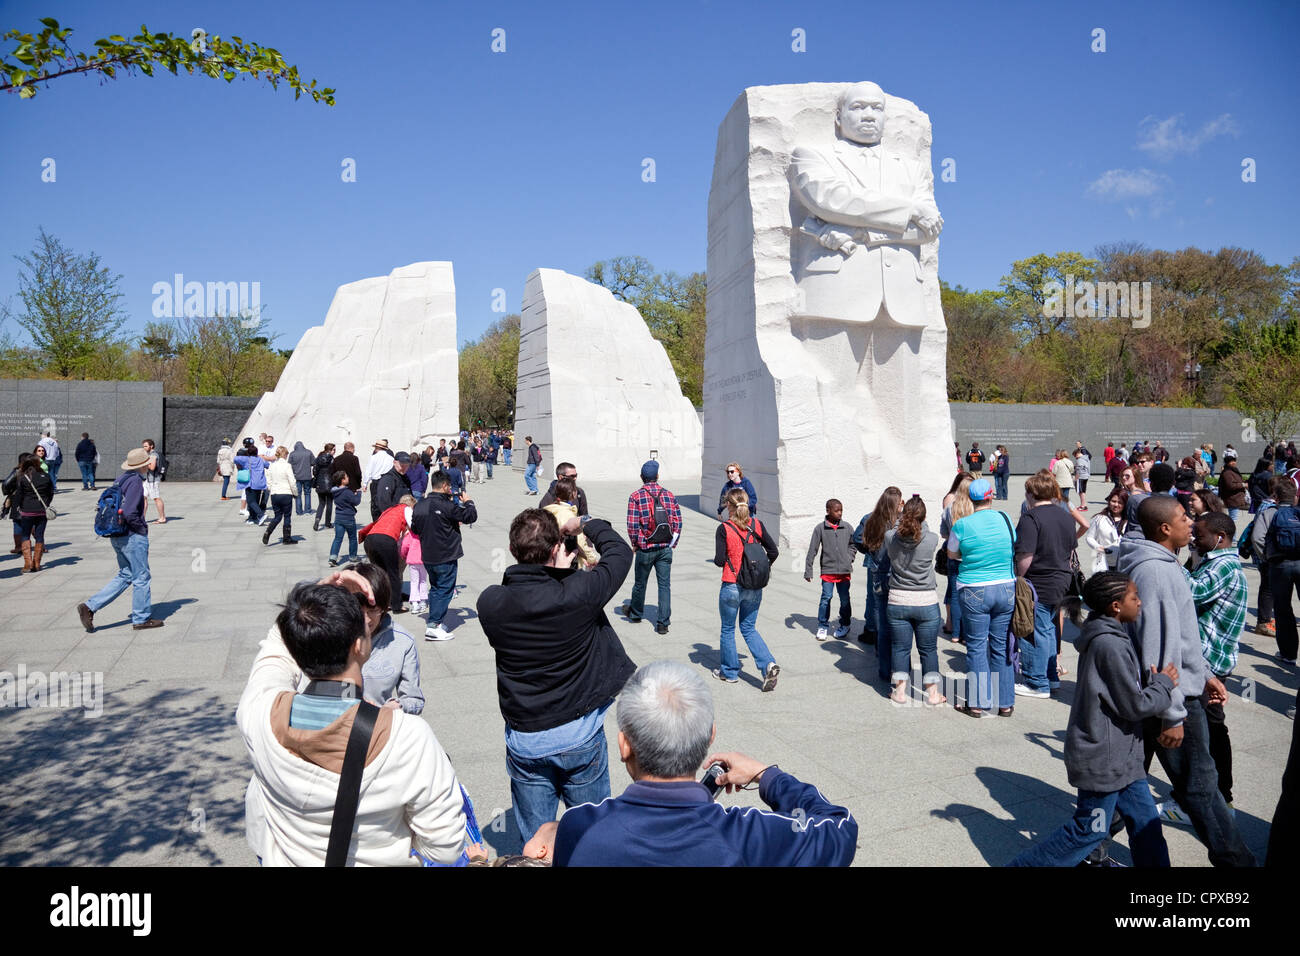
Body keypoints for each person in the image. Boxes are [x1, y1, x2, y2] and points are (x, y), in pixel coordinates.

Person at [237, 570, 467, 866]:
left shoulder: (258, 711)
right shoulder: (408, 737)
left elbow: (273, 655)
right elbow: (445, 849)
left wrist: (312, 602)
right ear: (359, 646)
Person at [529, 660, 857, 866]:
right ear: (710, 737)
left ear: (624, 745)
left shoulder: (580, 826)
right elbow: (840, 827)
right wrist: (766, 774)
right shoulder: (751, 836)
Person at [475, 506, 635, 844]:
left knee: (535, 840)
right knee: (591, 836)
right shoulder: (579, 592)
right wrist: (585, 524)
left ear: (513, 551)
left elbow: (521, 593)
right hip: (579, 734)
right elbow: (619, 552)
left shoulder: (491, 603)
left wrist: (552, 571)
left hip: (526, 737)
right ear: (555, 549)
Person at [1116, 494, 1255, 866]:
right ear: (1164, 529)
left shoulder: (1164, 564)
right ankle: (1237, 862)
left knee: (1125, 785)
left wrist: (1205, 674)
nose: (1190, 523)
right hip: (1169, 700)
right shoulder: (1157, 571)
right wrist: (1173, 714)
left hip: (1164, 695)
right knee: (1200, 790)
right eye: (1183, 518)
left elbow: (1179, 636)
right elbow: (1158, 649)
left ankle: (1085, 847)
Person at [1007, 572, 1178, 867]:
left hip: (1123, 759)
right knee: (1088, 831)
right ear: (1115, 606)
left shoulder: (1110, 636)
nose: (1140, 603)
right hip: (1104, 759)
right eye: (1134, 598)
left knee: (1146, 823)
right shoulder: (1109, 645)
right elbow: (1134, 705)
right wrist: (1163, 684)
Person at [1189, 511, 1247, 809]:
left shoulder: (1223, 565)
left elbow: (1192, 592)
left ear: (1219, 538)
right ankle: (1219, 797)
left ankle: (1220, 798)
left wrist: (1169, 560)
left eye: (1198, 535)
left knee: (1207, 731)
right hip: (1210, 659)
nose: (1193, 539)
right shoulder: (1217, 562)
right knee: (1209, 728)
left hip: (1210, 660)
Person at [948, 478, 1016, 718]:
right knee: (1000, 645)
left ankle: (978, 703)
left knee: (977, 646)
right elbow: (1013, 544)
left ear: (970, 499)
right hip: (1006, 587)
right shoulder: (1005, 519)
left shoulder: (962, 525)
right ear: (991, 496)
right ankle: (1005, 702)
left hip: (974, 588)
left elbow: (952, 552)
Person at [75, 448, 163, 631]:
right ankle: (141, 618)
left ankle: (90, 607)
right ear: (145, 464)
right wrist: (142, 529)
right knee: (141, 577)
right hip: (131, 535)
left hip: (117, 534)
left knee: (126, 574)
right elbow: (130, 512)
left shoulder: (121, 479)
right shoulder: (135, 482)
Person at [1015, 471, 1080, 699]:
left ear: (1031, 493)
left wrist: (1018, 578)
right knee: (1050, 629)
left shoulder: (1030, 518)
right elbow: (1072, 549)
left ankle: (1036, 681)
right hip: (1062, 579)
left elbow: (1026, 556)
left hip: (1040, 580)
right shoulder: (1064, 515)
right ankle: (1051, 676)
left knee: (1034, 631)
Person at [712, 487, 781, 689]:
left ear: (728, 506)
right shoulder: (757, 524)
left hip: (732, 584)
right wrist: (759, 568)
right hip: (754, 585)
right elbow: (773, 551)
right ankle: (767, 663)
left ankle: (729, 672)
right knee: (749, 628)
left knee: (727, 628)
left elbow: (718, 560)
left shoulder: (724, 528)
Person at [884, 496, 944, 705]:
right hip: (926, 600)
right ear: (924, 516)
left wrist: (901, 520)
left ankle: (899, 692)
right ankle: (933, 694)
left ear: (904, 515)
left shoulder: (890, 536)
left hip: (898, 598)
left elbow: (898, 531)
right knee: (928, 650)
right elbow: (923, 530)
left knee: (900, 648)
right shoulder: (932, 538)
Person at [350, 562, 425, 714]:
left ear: (384, 608)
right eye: (358, 610)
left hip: (377, 728)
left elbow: (414, 699)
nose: (366, 620)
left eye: (373, 611)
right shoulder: (329, 633)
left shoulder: (403, 641)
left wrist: (398, 706)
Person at [411, 471, 477, 641]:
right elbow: (470, 516)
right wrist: (468, 502)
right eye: (449, 487)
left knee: (436, 588)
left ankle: (436, 622)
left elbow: (415, 528)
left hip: (428, 554)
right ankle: (433, 624)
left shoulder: (420, 505)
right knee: (445, 589)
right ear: (446, 486)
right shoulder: (447, 505)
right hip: (445, 554)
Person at [623, 460, 682, 635]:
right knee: (664, 585)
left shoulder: (635, 496)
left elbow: (633, 525)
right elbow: (678, 521)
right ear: (657, 476)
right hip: (665, 548)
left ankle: (635, 613)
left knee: (640, 583)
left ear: (642, 477)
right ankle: (663, 623)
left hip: (646, 547)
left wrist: (636, 543)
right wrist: (672, 543)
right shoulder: (669, 495)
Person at [804, 498, 854, 641]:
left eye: (841, 510)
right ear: (828, 511)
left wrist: (849, 557)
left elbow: (854, 544)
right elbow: (812, 549)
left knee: (845, 599)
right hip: (828, 570)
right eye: (836, 510)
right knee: (826, 598)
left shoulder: (847, 527)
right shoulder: (820, 528)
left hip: (844, 570)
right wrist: (808, 570)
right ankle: (823, 625)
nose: (840, 513)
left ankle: (845, 624)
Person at [1265, 479, 1300, 665]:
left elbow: (1258, 538)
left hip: (1279, 565)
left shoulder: (1270, 513)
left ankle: (1288, 654)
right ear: (1295, 496)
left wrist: (1266, 558)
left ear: (1275, 497)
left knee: (1283, 609)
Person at [361, 495, 413, 615]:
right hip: (385, 540)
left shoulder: (388, 510)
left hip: (370, 539)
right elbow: (413, 526)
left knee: (379, 574)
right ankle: (396, 605)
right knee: (393, 573)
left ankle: (381, 603)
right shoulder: (406, 508)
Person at [938, 474, 973, 641]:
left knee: (955, 594)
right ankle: (966, 633)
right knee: (970, 595)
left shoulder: (949, 508)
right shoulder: (975, 509)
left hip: (954, 555)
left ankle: (956, 633)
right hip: (971, 557)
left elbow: (944, 533)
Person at [1249, 476, 1283, 639]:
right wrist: (1266, 556)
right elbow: (1258, 536)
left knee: (1270, 588)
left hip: (1266, 555)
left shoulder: (1267, 504)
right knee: (1267, 588)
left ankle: (1267, 619)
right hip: (1266, 556)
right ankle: (1263, 622)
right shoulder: (1268, 507)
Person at [11, 451, 55, 572]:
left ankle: (28, 563)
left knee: (25, 535)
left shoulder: (23, 477)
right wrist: (46, 504)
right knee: (40, 536)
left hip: (27, 511)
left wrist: (18, 507)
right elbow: (51, 493)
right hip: (42, 511)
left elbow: (19, 495)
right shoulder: (45, 476)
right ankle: (37, 564)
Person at [543, 477, 598, 569]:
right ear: (574, 493)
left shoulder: (550, 510)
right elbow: (579, 540)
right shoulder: (568, 515)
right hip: (567, 558)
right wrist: (591, 558)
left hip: (551, 556)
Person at [261, 446, 298, 546]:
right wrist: (295, 493)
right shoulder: (287, 465)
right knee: (287, 516)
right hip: (285, 493)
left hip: (275, 493)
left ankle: (268, 531)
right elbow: (292, 481)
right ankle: (287, 538)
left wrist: (271, 489)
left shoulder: (272, 466)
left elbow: (268, 480)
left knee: (277, 516)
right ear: (285, 454)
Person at [1085, 488, 1128, 573]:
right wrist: (1097, 547)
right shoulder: (1099, 518)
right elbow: (1089, 537)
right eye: (1113, 501)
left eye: (1120, 503)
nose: (1116, 505)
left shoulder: (1129, 520)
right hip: (1103, 562)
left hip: (1123, 563)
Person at [328, 472, 362, 567]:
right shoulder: (346, 492)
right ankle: (353, 556)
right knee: (352, 538)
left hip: (338, 518)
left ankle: (333, 557)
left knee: (338, 538)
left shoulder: (335, 492)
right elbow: (356, 501)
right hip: (348, 518)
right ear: (342, 480)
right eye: (346, 477)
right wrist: (358, 493)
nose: (348, 478)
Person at [141, 438, 166, 524]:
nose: (144, 448)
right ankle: (142, 518)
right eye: (143, 446)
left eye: (146, 446)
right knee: (143, 497)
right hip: (148, 480)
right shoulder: (150, 455)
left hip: (153, 481)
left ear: (151, 446)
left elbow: (152, 467)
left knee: (156, 498)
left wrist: (144, 463)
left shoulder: (153, 455)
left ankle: (162, 518)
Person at [1218, 452, 1247, 524]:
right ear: (1227, 463)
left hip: (1234, 498)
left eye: (1234, 461)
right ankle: (1231, 534)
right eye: (1231, 462)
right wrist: (1243, 485)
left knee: (1233, 519)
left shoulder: (1233, 470)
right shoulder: (1227, 472)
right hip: (1232, 498)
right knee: (1233, 520)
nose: (1234, 463)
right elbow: (1231, 485)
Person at [312, 444, 336, 531]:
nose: (334, 451)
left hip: (320, 483)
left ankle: (317, 520)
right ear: (330, 450)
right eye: (334, 450)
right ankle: (327, 523)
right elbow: (334, 471)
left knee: (321, 504)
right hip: (330, 483)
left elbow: (315, 470)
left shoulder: (318, 458)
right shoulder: (332, 460)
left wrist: (318, 477)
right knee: (329, 503)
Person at [289, 441, 315, 516]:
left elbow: (289, 464)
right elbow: (313, 462)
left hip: (297, 476)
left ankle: (299, 511)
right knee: (307, 493)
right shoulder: (308, 452)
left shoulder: (292, 454)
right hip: (307, 476)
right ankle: (307, 510)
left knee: (298, 494)